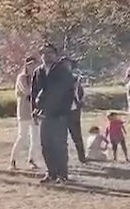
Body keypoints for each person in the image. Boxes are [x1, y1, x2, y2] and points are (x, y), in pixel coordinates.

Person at [30, 43, 75, 184]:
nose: (46, 56)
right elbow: (34, 92)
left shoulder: (63, 71)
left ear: (55, 55)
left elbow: (69, 93)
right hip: (44, 114)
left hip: (59, 114)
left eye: (49, 53)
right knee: (46, 145)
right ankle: (51, 173)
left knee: (60, 145)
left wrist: (65, 111)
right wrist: (34, 110)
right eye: (43, 53)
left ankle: (63, 175)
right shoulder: (38, 71)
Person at [10, 56, 40, 171]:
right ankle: (13, 160)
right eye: (31, 64)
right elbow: (27, 91)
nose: (33, 67)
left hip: (35, 111)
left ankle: (31, 160)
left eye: (35, 64)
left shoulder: (37, 77)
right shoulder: (22, 78)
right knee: (22, 137)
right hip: (24, 111)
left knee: (35, 138)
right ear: (26, 65)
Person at [66, 60, 87, 164]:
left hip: (74, 111)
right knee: (62, 138)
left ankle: (82, 157)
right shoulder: (58, 78)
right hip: (62, 111)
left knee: (77, 136)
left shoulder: (75, 79)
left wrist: (80, 103)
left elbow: (80, 93)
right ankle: (63, 158)